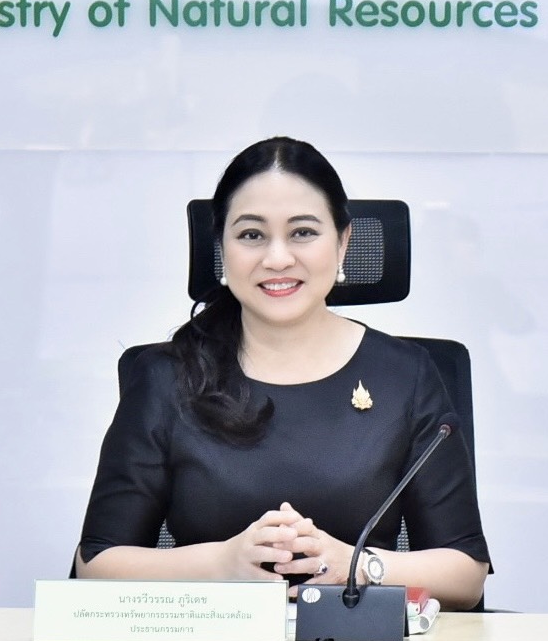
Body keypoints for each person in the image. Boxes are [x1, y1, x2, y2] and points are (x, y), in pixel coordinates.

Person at [75, 136, 490, 610]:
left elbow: (465, 574)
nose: (277, 259)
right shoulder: (165, 377)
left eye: (303, 232)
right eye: (252, 235)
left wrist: (358, 565)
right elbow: (96, 563)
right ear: (221, 247)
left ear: (343, 243)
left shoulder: (406, 374)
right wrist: (222, 565)